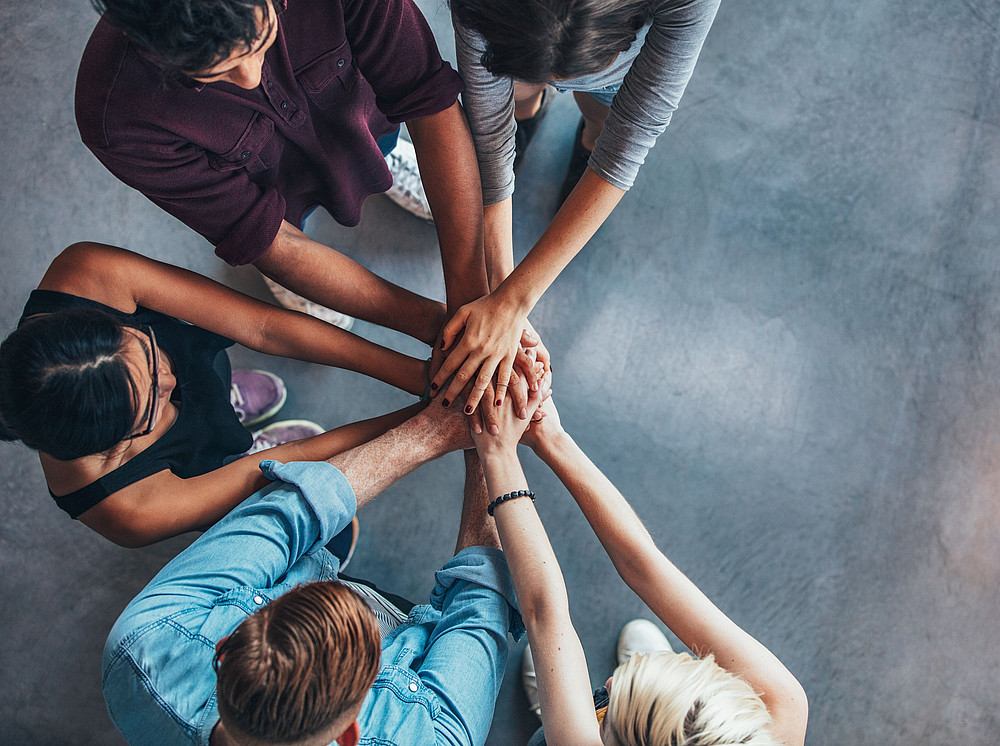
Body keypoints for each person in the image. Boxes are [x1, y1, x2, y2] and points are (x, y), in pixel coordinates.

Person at [101, 396, 531, 746]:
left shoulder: (144, 644)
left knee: (293, 535)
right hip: (410, 627)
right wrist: (490, 445)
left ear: (225, 649)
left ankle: (318, 558)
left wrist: (436, 429)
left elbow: (286, 516)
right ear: (348, 736)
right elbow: (479, 609)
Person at [0, 241, 431, 547]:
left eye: (148, 353)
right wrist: (428, 415)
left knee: (211, 379)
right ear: (112, 444)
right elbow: (290, 457)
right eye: (152, 407)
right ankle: (232, 446)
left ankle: (223, 402)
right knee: (264, 477)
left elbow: (262, 326)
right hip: (196, 468)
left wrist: (421, 375)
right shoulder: (126, 509)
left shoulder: (88, 274)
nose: (170, 381)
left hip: (204, 372)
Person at [430, 0, 720, 413]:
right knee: (516, 96)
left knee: (602, 117)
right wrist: (501, 299)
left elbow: (626, 143)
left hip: (612, 81)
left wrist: (512, 304)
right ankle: (528, 110)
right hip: (519, 56)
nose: (560, 83)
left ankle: (586, 135)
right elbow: (489, 135)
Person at [470, 397, 810, 746]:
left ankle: (559, 711)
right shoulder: (782, 706)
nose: (610, 682)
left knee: (561, 727)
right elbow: (642, 563)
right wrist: (549, 435)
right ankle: (600, 704)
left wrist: (497, 453)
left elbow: (543, 612)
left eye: (612, 725)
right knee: (579, 698)